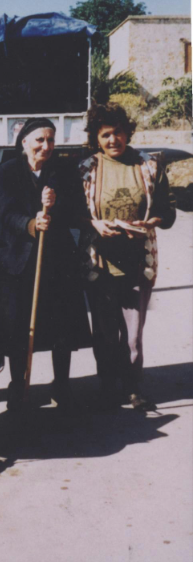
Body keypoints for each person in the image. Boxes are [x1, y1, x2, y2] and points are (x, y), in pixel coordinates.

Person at [0, 118, 92, 412]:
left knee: (62, 326)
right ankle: (19, 385)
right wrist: (32, 223)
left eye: (50, 140)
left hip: (57, 260)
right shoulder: (7, 171)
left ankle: (62, 384)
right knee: (17, 328)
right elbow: (6, 212)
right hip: (16, 261)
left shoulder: (62, 172)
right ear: (24, 142)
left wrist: (56, 203)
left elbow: (74, 212)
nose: (46, 146)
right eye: (39, 140)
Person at [79, 102, 176, 411]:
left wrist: (152, 223)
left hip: (138, 263)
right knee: (105, 334)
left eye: (118, 133)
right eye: (106, 134)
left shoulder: (148, 165)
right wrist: (93, 224)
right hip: (100, 264)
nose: (113, 141)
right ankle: (108, 386)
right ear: (96, 138)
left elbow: (166, 211)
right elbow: (75, 214)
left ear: (128, 133)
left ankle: (132, 387)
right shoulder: (86, 169)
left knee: (133, 336)